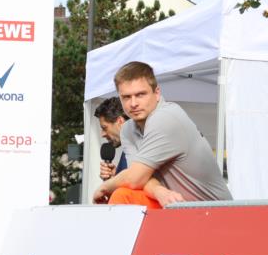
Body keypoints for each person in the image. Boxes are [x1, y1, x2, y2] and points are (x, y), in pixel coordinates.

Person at [93, 61, 232, 208]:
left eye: (140, 94)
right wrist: (158, 191)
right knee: (125, 193)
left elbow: (135, 178)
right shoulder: (127, 129)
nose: (133, 104)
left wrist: (104, 186)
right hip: (178, 209)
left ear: (157, 93)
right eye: (126, 97)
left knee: (123, 194)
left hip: (217, 214)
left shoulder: (165, 117)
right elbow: (140, 179)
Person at [94, 97, 130, 181]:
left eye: (104, 128)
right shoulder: (128, 149)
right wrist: (115, 178)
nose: (102, 134)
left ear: (120, 122)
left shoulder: (140, 146)